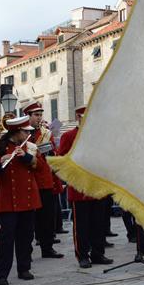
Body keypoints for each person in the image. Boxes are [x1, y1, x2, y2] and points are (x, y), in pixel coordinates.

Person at [0, 115, 41, 285]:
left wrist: (25, 156)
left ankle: (24, 268)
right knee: (6, 238)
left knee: (26, 235)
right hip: (8, 199)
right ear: (16, 132)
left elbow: (39, 166)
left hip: (28, 197)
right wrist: (0, 165)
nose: (28, 135)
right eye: (25, 132)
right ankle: (1, 274)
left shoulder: (30, 146)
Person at [56, 106, 113, 268]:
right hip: (80, 188)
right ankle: (82, 255)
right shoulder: (68, 136)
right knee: (81, 225)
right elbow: (62, 159)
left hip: (97, 186)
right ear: (79, 118)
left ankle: (98, 253)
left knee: (98, 223)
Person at [22, 102, 63, 259]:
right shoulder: (23, 133)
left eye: (40, 115)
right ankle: (26, 251)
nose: (39, 118)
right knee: (29, 219)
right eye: (36, 115)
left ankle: (47, 247)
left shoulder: (46, 133)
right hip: (29, 180)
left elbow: (53, 153)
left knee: (47, 216)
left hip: (44, 180)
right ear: (29, 116)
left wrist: (51, 151)